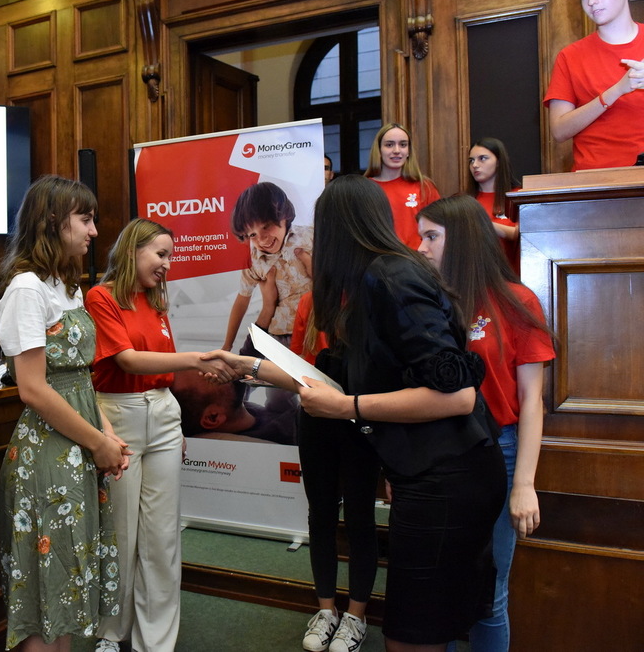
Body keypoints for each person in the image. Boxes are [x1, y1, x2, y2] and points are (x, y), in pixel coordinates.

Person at [206, 175, 506, 652]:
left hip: (448, 477)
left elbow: (457, 396)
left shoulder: (391, 279)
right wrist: (249, 365)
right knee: (416, 631)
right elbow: (327, 379)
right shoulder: (371, 286)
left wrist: (349, 407)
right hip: (423, 472)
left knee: (412, 636)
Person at [85, 218, 236, 652]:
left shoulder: (156, 300)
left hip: (165, 416)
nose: (168, 264)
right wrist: (197, 360)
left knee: (162, 536)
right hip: (120, 417)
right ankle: (111, 633)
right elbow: (128, 360)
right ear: (133, 250)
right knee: (120, 532)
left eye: (171, 255)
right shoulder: (101, 296)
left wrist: (175, 423)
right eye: (161, 254)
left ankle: (156, 641)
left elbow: (162, 370)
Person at [0, 175, 131, 651]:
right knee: (44, 587)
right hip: (48, 452)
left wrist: (106, 433)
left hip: (79, 444)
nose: (94, 231)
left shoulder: (66, 286)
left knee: (71, 582)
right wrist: (97, 442)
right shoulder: (27, 288)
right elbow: (33, 389)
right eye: (85, 219)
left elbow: (80, 379)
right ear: (52, 221)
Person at [416, 196, 555, 652]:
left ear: (462, 239)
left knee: (488, 597)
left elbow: (532, 400)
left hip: (499, 453)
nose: (420, 247)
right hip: (439, 454)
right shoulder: (430, 302)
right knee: (440, 593)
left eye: (431, 236)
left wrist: (524, 484)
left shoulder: (516, 300)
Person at [288, 290, 381, 652]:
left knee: (360, 518)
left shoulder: (373, 295)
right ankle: (326, 610)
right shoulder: (310, 300)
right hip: (315, 420)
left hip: (360, 417)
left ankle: (356, 616)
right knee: (321, 514)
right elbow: (296, 362)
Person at [545, 0, 644, 170]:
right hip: (594, 179)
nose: (591, 1)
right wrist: (616, 91)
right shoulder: (570, 56)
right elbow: (559, 131)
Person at [222, 181, 313, 353]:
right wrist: (227, 345)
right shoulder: (252, 260)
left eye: (266, 226)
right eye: (252, 234)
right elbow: (242, 300)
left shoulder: (309, 237)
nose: (262, 239)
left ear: (284, 216)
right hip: (280, 335)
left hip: (316, 329)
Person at [364, 123, 440, 249]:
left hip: (417, 258)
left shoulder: (424, 186)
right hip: (379, 258)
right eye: (389, 145)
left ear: (409, 151)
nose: (397, 151)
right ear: (379, 150)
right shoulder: (364, 188)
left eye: (403, 145)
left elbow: (438, 229)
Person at [171, 370, 298, 445]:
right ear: (213, 417)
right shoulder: (288, 431)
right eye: (207, 376)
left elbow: (243, 361)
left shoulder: (232, 407)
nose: (218, 366)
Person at [466, 138, 521, 273]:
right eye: (471, 160)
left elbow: (522, 233)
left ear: (499, 162)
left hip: (511, 274)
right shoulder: (464, 201)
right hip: (474, 274)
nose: (475, 165)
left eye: (482, 158)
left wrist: (483, 223)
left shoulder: (518, 196)